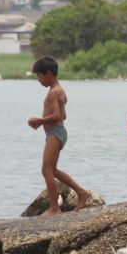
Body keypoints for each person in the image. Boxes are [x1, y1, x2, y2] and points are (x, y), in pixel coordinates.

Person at [27, 56, 91, 215]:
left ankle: (55, 208)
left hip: (55, 133)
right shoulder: (59, 90)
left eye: (39, 76)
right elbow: (64, 116)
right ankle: (81, 192)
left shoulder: (54, 93)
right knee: (52, 170)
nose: (39, 80)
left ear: (48, 73)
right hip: (57, 132)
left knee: (46, 170)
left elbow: (56, 116)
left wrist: (39, 120)